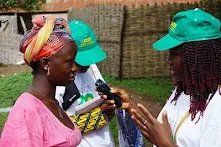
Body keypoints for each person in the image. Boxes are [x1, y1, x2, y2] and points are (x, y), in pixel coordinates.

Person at [100, 8, 221, 147]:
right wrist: (129, 104)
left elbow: (163, 140)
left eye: (174, 54)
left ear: (198, 58)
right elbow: (158, 131)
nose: (168, 61)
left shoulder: (217, 109)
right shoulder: (182, 91)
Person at [0, 16, 82, 146]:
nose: (75, 68)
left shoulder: (52, 102)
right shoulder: (27, 110)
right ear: (45, 64)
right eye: (69, 62)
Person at [55, 20, 116, 147]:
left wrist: (110, 103)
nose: (87, 64)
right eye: (82, 61)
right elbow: (58, 129)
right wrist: (99, 112)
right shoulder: (60, 81)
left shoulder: (91, 68)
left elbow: (107, 111)